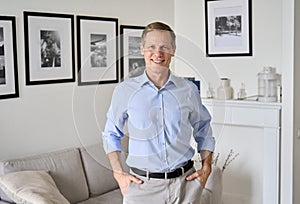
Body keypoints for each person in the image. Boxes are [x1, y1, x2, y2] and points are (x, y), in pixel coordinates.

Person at [102, 21, 215, 204]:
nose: (158, 53)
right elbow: (110, 134)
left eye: (164, 47)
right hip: (142, 188)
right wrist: (119, 174)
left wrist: (206, 167)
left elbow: (203, 128)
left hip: (185, 184)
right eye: (151, 47)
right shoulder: (125, 91)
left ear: (173, 50)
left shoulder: (188, 89)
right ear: (142, 49)